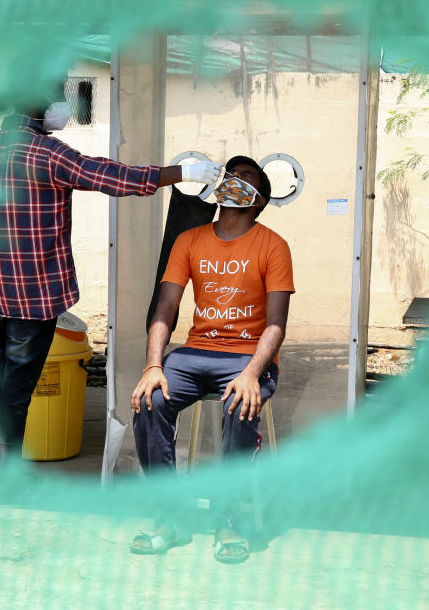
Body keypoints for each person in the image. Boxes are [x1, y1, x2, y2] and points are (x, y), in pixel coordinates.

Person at [0, 63, 222, 464]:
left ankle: (1, 465)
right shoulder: (47, 153)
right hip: (35, 300)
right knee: (18, 389)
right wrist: (181, 173)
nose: (64, 108)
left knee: (4, 384)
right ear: (42, 105)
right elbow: (107, 176)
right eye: (59, 100)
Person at [129, 155, 294, 563]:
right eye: (230, 174)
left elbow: (276, 324)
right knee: (149, 401)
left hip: (246, 357)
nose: (233, 180)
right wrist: (153, 366)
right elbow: (165, 308)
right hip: (194, 353)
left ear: (259, 199)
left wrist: (253, 373)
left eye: (245, 178)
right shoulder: (189, 240)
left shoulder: (273, 245)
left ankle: (229, 520)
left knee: (241, 405)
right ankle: (169, 516)